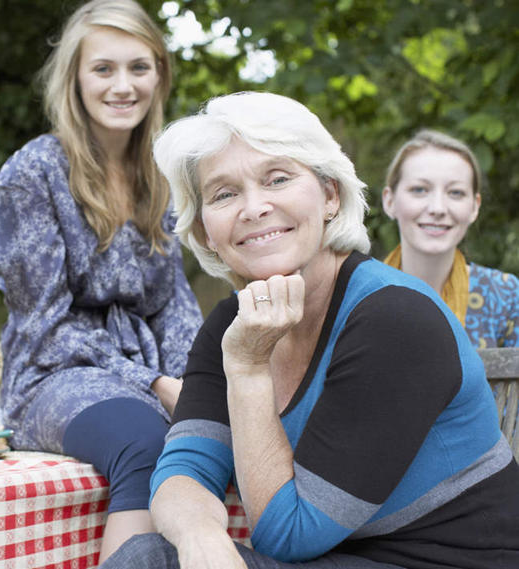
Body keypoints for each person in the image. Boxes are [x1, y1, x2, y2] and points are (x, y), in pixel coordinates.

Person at [101, 92, 519, 569]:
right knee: (151, 556)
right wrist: (199, 535)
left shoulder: (394, 320)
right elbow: (183, 472)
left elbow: (287, 536)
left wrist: (249, 369)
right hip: (338, 560)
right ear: (203, 232)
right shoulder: (230, 323)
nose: (254, 207)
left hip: (443, 562)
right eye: (224, 194)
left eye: (277, 179)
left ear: (329, 195)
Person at [0, 0, 203, 561]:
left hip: (147, 375)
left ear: (159, 75)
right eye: (103, 68)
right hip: (50, 376)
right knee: (145, 440)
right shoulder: (32, 173)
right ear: (76, 79)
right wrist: (155, 384)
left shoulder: (163, 177)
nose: (122, 85)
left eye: (139, 67)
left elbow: (174, 305)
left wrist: (198, 385)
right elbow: (44, 324)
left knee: (212, 434)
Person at [381, 129, 518, 348]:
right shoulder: (354, 295)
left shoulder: (505, 297)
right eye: (419, 189)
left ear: (474, 206)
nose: (438, 208)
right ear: (389, 201)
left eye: (455, 193)